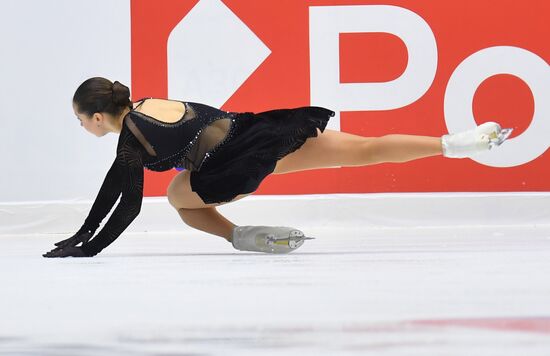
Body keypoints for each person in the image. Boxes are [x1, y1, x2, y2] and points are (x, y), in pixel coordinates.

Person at [43, 77, 511, 258]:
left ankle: (239, 236)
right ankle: (453, 144)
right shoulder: (150, 103)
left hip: (230, 165)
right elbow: (111, 194)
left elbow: (125, 208)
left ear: (97, 117)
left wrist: (89, 248)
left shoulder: (130, 141)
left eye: (80, 119)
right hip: (261, 132)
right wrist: (82, 234)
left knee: (178, 197)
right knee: (365, 149)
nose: (82, 125)